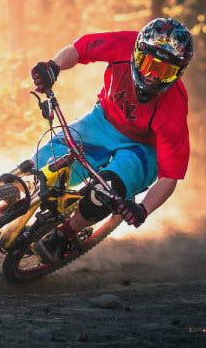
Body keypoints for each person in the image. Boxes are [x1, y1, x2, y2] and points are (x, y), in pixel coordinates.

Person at [28, 17, 194, 263]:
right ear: (137, 52)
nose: (151, 76)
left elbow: (170, 177)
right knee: (41, 163)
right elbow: (78, 49)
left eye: (164, 71)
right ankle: (9, 208)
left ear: (177, 73)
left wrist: (144, 209)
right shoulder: (123, 44)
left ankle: (65, 235)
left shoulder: (175, 107)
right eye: (149, 64)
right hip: (102, 121)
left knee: (106, 191)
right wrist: (54, 66)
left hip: (142, 150)